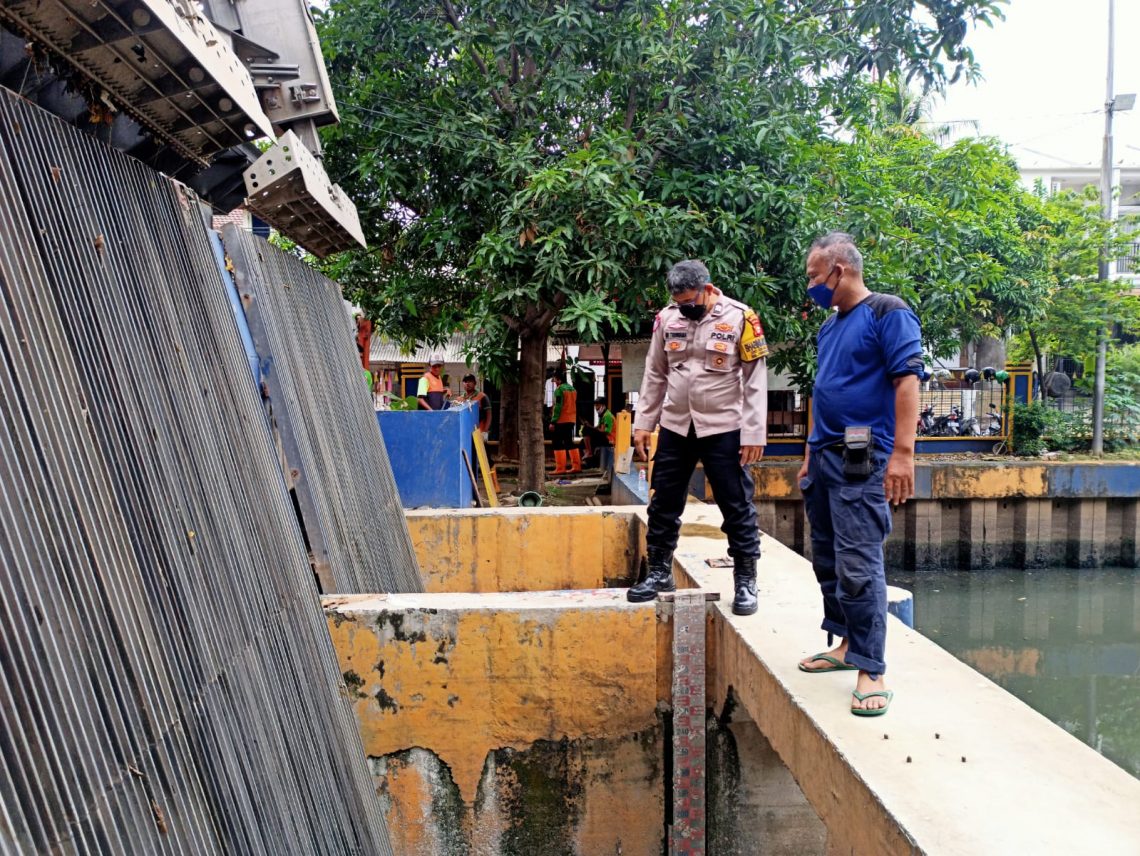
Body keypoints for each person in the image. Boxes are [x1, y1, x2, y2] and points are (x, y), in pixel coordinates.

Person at [796, 231, 922, 718]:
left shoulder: (888, 312)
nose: (811, 285)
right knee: (826, 557)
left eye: (814, 276)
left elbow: (907, 382)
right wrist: (809, 451)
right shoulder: (830, 327)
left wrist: (903, 455)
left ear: (840, 270)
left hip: (863, 455)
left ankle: (872, 668)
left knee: (859, 560)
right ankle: (846, 644)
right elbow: (822, 390)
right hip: (824, 456)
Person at [629, 259, 768, 616]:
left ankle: (746, 581)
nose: (684, 308)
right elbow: (655, 372)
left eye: (690, 301)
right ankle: (659, 571)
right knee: (664, 500)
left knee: (736, 503)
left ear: (707, 289)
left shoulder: (741, 317)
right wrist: (643, 423)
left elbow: (755, 379)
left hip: (725, 427)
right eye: (679, 302)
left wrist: (754, 432)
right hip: (676, 425)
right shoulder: (666, 319)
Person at [548, 369, 581, 475]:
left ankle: (560, 468)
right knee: (569, 442)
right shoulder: (573, 389)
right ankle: (576, 466)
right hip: (571, 419)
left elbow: (558, 407)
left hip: (561, 420)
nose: (554, 381)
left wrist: (553, 421)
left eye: (554, 379)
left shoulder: (559, 390)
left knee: (557, 442)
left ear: (558, 379)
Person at [458, 374, 492, 439]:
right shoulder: (459, 399)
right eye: (465, 381)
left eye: (470, 381)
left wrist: (485, 431)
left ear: (475, 383)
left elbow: (489, 415)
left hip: (479, 432)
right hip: (464, 434)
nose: (467, 383)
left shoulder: (482, 396)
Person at [582, 396, 615, 460]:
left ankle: (589, 452)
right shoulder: (602, 415)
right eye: (595, 406)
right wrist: (589, 426)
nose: (596, 408)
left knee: (586, 430)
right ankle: (589, 457)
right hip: (604, 436)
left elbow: (607, 431)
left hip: (609, 439)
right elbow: (597, 428)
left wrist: (592, 429)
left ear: (603, 405)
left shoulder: (607, 415)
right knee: (582, 441)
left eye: (597, 405)